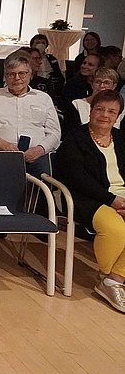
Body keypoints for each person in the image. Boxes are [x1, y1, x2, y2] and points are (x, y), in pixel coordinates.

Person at [0, 50, 61, 271]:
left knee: (46, 179)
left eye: (22, 73)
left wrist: (40, 148)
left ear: (30, 75)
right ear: (5, 75)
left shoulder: (43, 98)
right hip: (2, 154)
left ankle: (36, 221)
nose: (17, 78)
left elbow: (54, 132)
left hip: (36, 155)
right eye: (12, 74)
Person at [55, 90, 125, 312]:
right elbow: (77, 178)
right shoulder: (75, 139)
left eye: (112, 111)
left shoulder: (121, 138)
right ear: (91, 111)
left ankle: (113, 280)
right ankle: (107, 277)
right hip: (87, 198)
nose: (105, 115)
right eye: (100, 109)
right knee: (115, 229)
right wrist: (112, 200)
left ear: (118, 116)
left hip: (121, 197)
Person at [63, 67, 121, 134]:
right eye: (97, 82)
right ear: (92, 84)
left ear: (114, 86)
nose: (102, 86)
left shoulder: (120, 108)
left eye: (107, 83)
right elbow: (69, 133)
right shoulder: (77, 105)